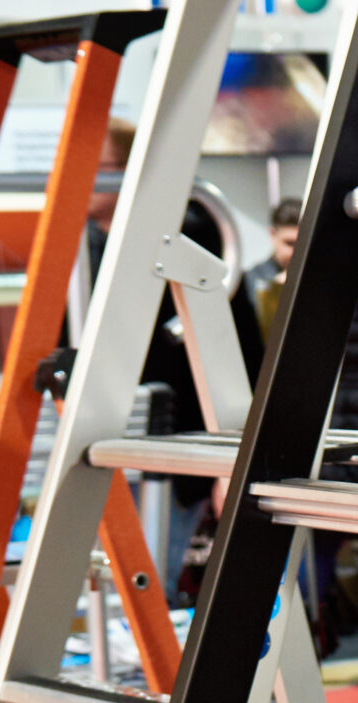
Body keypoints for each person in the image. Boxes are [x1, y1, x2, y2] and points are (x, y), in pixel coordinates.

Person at [83, 120, 263, 603]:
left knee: (144, 588)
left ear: (131, 170)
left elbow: (233, 351)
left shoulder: (184, 237)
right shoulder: (91, 246)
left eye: (97, 166)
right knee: (117, 588)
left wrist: (229, 459)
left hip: (173, 446)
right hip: (112, 440)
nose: (85, 178)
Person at [246, 197, 301, 333]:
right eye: (289, 243)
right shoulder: (251, 279)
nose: (295, 252)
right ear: (273, 234)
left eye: (301, 244)